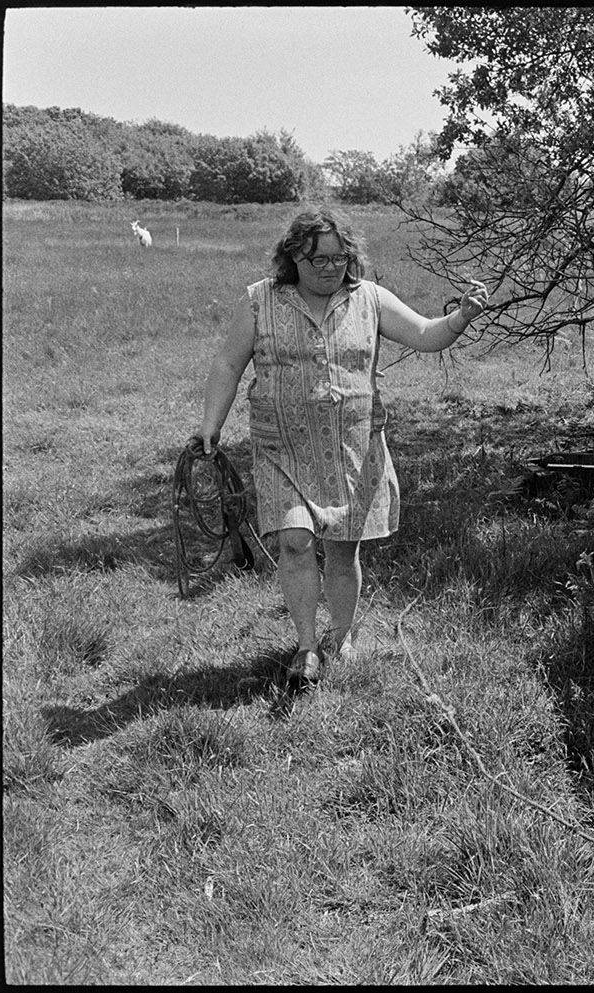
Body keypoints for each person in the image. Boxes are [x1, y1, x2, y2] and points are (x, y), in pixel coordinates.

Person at [196, 205, 489, 685]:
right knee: (294, 542)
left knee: (341, 551)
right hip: (282, 447)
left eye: (338, 258)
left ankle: (342, 637)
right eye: (316, 260)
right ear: (293, 257)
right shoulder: (258, 301)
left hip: (352, 449)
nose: (329, 268)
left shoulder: (369, 299)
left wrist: (460, 317)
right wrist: (211, 424)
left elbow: (424, 334)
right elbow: (229, 364)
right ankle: (307, 647)